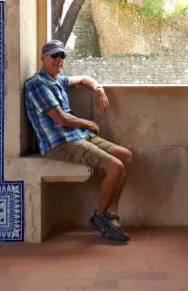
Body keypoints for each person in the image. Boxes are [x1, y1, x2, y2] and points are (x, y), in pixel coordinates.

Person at [25, 39, 133, 243]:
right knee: (115, 167)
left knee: (126, 156)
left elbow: (84, 78)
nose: (59, 60)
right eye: (54, 55)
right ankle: (100, 217)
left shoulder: (57, 80)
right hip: (60, 143)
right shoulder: (38, 84)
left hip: (77, 136)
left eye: (62, 56)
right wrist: (88, 123)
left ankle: (111, 213)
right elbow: (61, 118)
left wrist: (98, 88)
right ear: (42, 58)